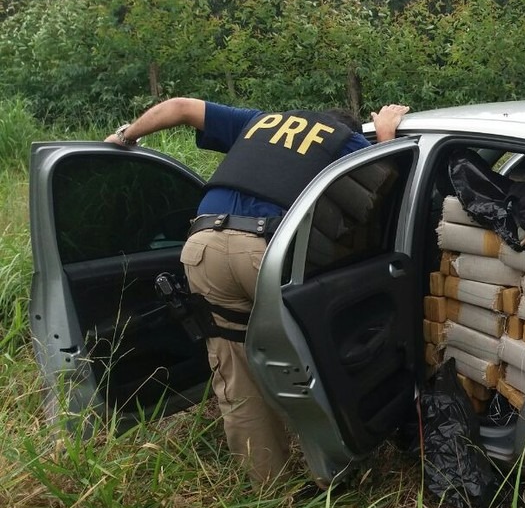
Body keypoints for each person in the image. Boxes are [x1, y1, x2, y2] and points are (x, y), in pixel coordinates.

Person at [106, 98, 409, 486]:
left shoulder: (261, 122)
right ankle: (339, 472)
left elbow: (180, 107)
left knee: (236, 375)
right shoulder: (343, 143)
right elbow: (384, 182)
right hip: (267, 253)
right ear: (345, 128)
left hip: (202, 249)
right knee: (320, 359)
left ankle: (269, 490)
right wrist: (384, 133)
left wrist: (123, 136)